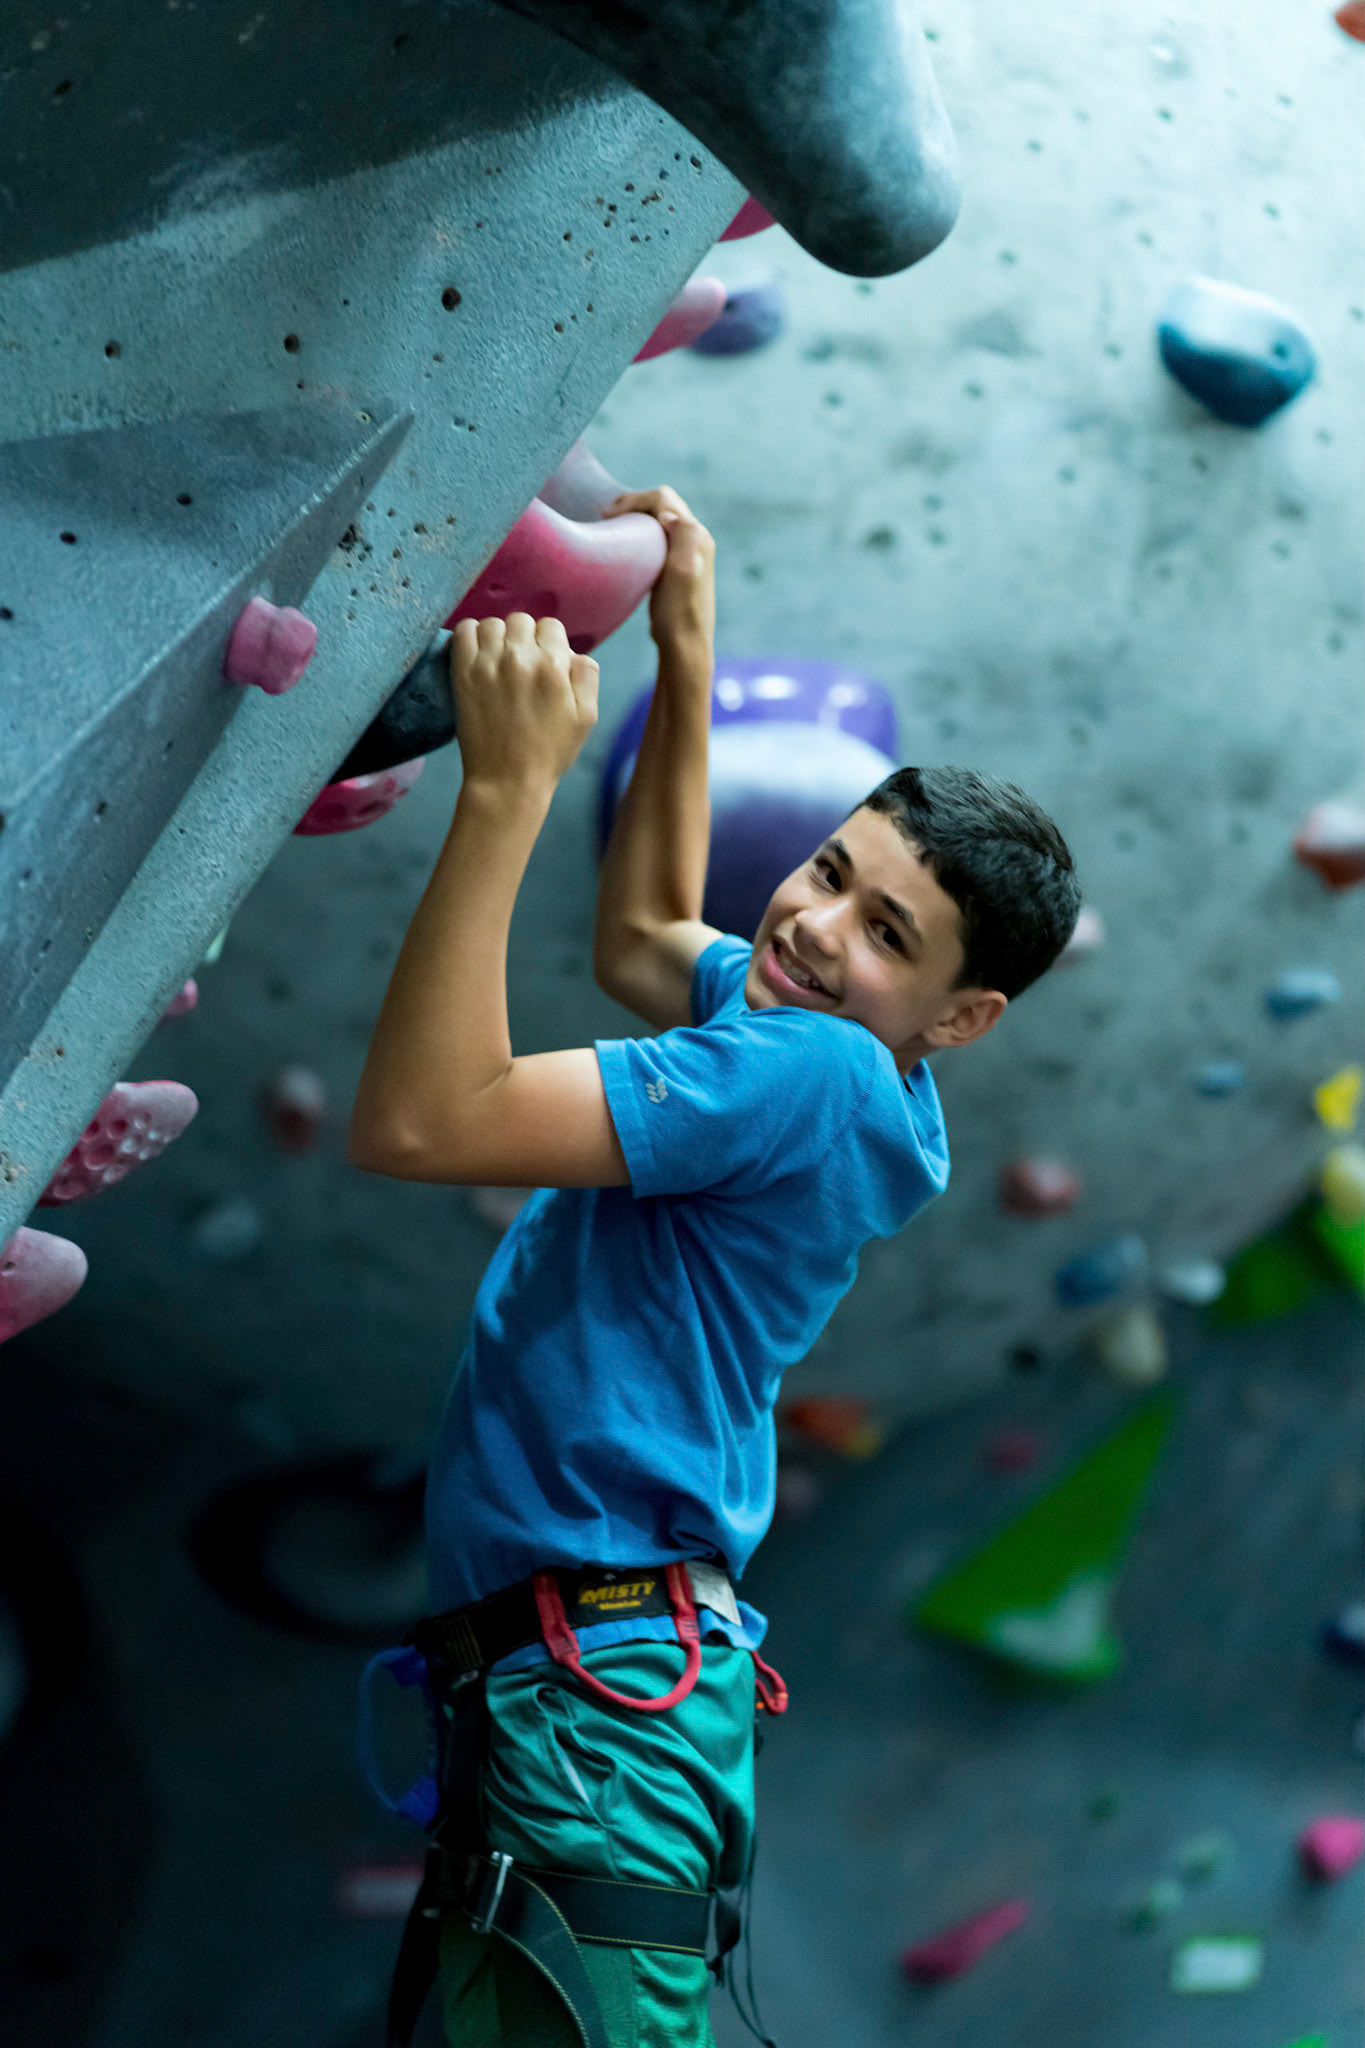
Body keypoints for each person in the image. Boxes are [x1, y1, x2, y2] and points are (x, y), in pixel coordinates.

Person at [348, 487, 1081, 2048]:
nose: (813, 928)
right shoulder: (833, 1060)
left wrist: (505, 792)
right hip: (593, 1688)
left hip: (597, 1707)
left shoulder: (800, 1078)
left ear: (960, 1018)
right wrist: (690, 659)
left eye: (887, 932)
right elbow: (640, 936)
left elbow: (421, 1122)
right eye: (826, 869)